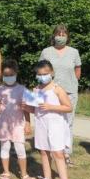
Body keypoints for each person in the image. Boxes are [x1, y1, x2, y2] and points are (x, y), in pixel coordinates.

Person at [24, 60, 79, 179]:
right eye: (39, 74)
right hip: (41, 124)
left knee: (58, 154)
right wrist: (24, 106)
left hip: (56, 125)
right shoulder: (36, 90)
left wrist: (51, 107)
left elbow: (68, 107)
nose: (42, 76)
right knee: (43, 151)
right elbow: (33, 108)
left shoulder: (57, 89)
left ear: (52, 73)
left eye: (45, 74)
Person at [38, 24, 82, 166]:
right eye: (58, 34)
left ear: (67, 37)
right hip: (51, 92)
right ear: (54, 36)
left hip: (69, 91)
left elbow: (77, 70)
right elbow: (41, 70)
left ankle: (66, 153)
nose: (60, 37)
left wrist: (72, 82)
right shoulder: (46, 51)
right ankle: (51, 150)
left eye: (63, 34)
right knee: (51, 121)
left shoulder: (74, 52)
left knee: (68, 123)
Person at [0, 59, 36, 179]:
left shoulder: (22, 89)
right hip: (4, 124)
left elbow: (26, 108)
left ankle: (24, 174)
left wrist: (27, 123)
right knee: (4, 147)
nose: (8, 77)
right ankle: (6, 172)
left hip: (18, 124)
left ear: (16, 73)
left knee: (20, 148)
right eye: (6, 75)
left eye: (11, 75)